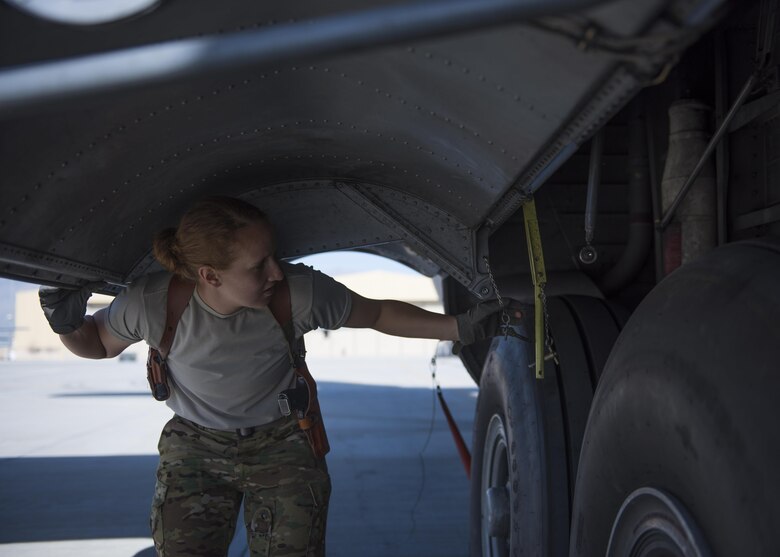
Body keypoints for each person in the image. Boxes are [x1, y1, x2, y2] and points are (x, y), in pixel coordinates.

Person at [39, 196, 521, 557]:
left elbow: (376, 315)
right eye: (258, 265)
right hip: (196, 449)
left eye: (274, 256)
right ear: (209, 276)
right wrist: (64, 323)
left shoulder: (298, 294)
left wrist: (458, 326)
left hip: (283, 443)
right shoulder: (153, 302)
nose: (276, 271)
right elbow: (97, 345)